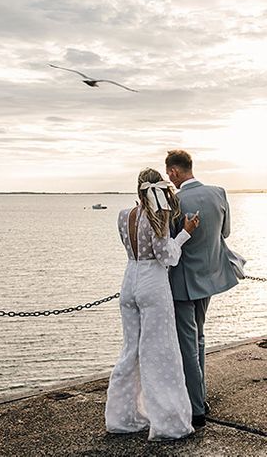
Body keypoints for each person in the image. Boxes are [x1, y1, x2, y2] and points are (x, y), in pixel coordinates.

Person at [105, 168, 200, 441]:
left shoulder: (125, 215)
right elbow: (165, 256)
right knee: (160, 353)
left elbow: (130, 247)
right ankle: (169, 423)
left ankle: (121, 418)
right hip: (152, 285)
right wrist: (184, 233)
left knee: (130, 351)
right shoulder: (158, 214)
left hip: (129, 283)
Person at [165, 149, 238, 428]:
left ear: (173, 172)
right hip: (210, 276)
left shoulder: (175, 200)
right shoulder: (218, 192)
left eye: (169, 175)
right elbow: (225, 233)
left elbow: (171, 244)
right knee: (199, 338)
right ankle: (201, 396)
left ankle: (196, 409)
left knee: (187, 344)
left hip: (183, 280)